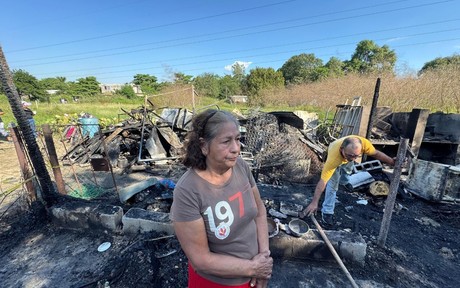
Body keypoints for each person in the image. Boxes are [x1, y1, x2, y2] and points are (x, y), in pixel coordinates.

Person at [170, 109, 273, 288]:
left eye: (238, 139)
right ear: (204, 146)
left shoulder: (241, 167)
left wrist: (264, 258)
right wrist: (254, 268)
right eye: (226, 141)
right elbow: (201, 260)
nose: (236, 148)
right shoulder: (188, 191)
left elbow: (260, 212)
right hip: (216, 283)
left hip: (254, 274)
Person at [300, 135, 395, 226]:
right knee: (333, 185)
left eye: (356, 156)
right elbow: (323, 181)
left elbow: (376, 154)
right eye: (351, 155)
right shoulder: (334, 159)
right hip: (336, 156)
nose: (353, 158)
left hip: (345, 158)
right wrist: (314, 202)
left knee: (346, 175)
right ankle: (327, 212)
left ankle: (343, 181)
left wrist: (392, 162)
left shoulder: (364, 145)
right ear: (342, 149)